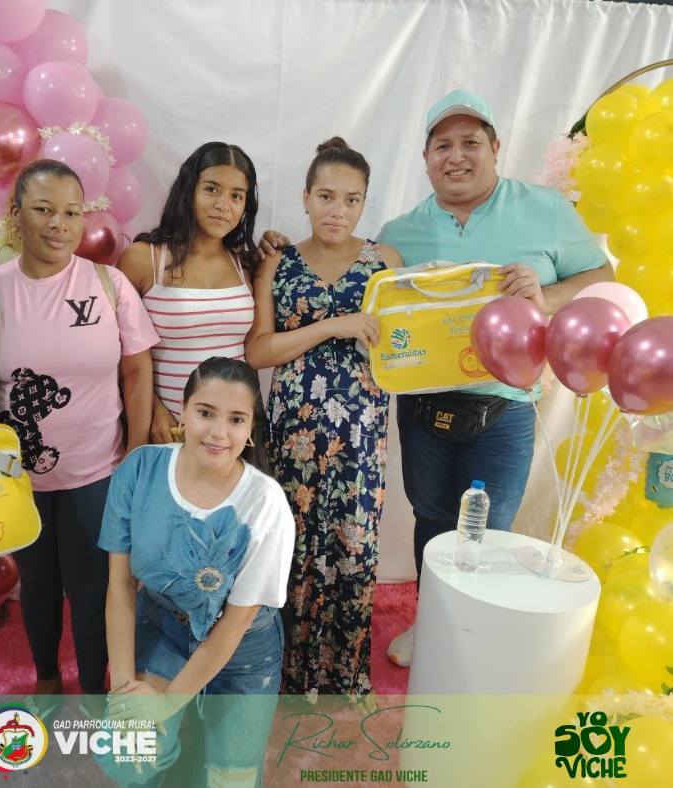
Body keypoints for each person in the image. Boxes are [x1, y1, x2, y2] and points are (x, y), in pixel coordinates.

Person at [376, 90, 613, 666]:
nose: (456, 157)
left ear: (496, 148)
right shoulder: (399, 232)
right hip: (424, 408)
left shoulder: (545, 209)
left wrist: (546, 293)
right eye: (442, 146)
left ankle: (473, 641)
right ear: (426, 158)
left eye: (470, 143)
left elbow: (601, 275)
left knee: (489, 531)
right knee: (432, 520)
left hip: (505, 407)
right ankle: (432, 627)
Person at [0, 159, 158, 702]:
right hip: (18, 477)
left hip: (97, 471)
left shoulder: (107, 283)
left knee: (92, 588)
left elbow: (137, 369)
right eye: (43, 210)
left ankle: (95, 689)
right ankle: (46, 678)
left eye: (71, 212)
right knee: (35, 583)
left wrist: (136, 451)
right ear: (16, 216)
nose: (59, 224)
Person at [246, 138, 402, 699]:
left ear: (364, 203)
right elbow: (258, 351)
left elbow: (405, 348)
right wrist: (334, 326)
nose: (338, 210)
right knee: (290, 551)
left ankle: (342, 677)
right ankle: (285, 676)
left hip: (361, 434)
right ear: (305, 197)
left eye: (351, 200)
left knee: (352, 550)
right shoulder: (277, 262)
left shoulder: (385, 262)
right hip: (295, 431)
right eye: (327, 196)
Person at [99, 356, 294, 786]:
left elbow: (236, 622)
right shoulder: (139, 469)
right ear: (183, 413)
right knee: (129, 751)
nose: (218, 432)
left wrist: (168, 701)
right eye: (206, 412)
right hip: (162, 626)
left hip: (242, 648)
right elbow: (120, 586)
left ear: (250, 429)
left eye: (236, 419)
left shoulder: (266, 503)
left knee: (232, 780)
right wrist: (125, 693)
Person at [117, 142, 258, 442]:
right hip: (168, 431)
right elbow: (114, 352)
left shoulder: (245, 264)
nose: (224, 205)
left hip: (231, 436)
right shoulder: (144, 259)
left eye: (236, 196)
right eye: (211, 189)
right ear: (188, 190)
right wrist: (152, 407)